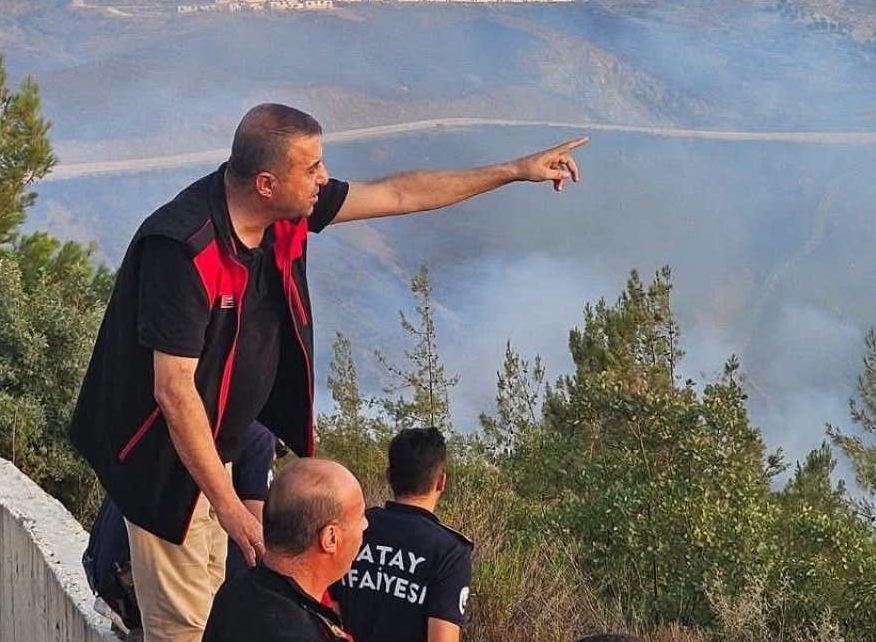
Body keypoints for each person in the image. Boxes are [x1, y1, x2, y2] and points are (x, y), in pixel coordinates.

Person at [69, 102, 587, 642]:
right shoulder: (182, 248)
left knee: (222, 614)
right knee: (182, 631)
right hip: (163, 464)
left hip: (217, 450)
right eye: (312, 168)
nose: (324, 179)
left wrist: (513, 170)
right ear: (267, 183)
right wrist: (229, 506)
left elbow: (400, 193)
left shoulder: (282, 214)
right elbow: (174, 392)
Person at [82, 422, 280, 637]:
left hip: (112, 580)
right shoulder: (259, 438)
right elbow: (258, 533)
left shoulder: (204, 426)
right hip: (149, 593)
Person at [331, 428, 472, 642]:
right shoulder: (449, 552)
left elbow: (325, 611)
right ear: (441, 482)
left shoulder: (353, 527)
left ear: (389, 476)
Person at [203, 459, 368, 642]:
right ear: (330, 538)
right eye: (360, 516)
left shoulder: (236, 589)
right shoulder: (300, 633)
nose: (365, 525)